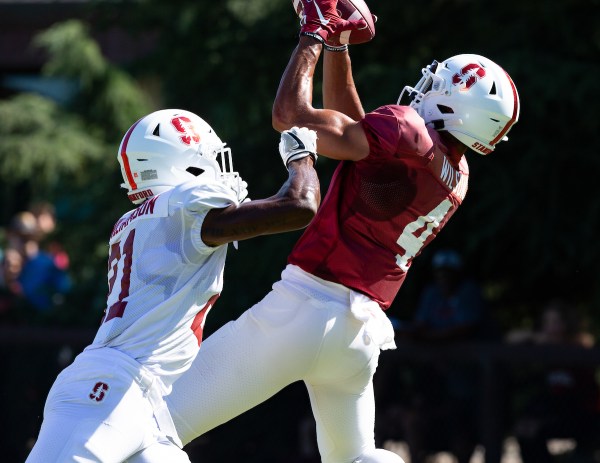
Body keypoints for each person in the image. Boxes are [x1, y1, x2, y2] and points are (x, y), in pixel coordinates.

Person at [165, 3, 520, 463]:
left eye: (439, 84)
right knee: (356, 459)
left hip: (303, 309)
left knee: (156, 422)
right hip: (358, 335)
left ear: (457, 103)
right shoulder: (455, 172)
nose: (426, 86)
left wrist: (312, 33)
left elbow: (290, 115)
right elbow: (358, 138)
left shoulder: (409, 130)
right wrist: (339, 45)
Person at [25, 109, 320, 462]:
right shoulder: (181, 207)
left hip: (144, 400)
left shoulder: (146, 220)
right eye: (208, 159)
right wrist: (301, 158)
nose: (220, 168)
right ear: (182, 164)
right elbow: (299, 205)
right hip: (110, 390)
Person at [508, 300, 599, 463]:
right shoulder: (543, 350)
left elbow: (581, 397)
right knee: (525, 429)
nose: (549, 327)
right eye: (546, 322)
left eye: (555, 322)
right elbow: (511, 338)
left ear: (566, 325)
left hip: (584, 415)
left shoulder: (578, 349)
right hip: (554, 414)